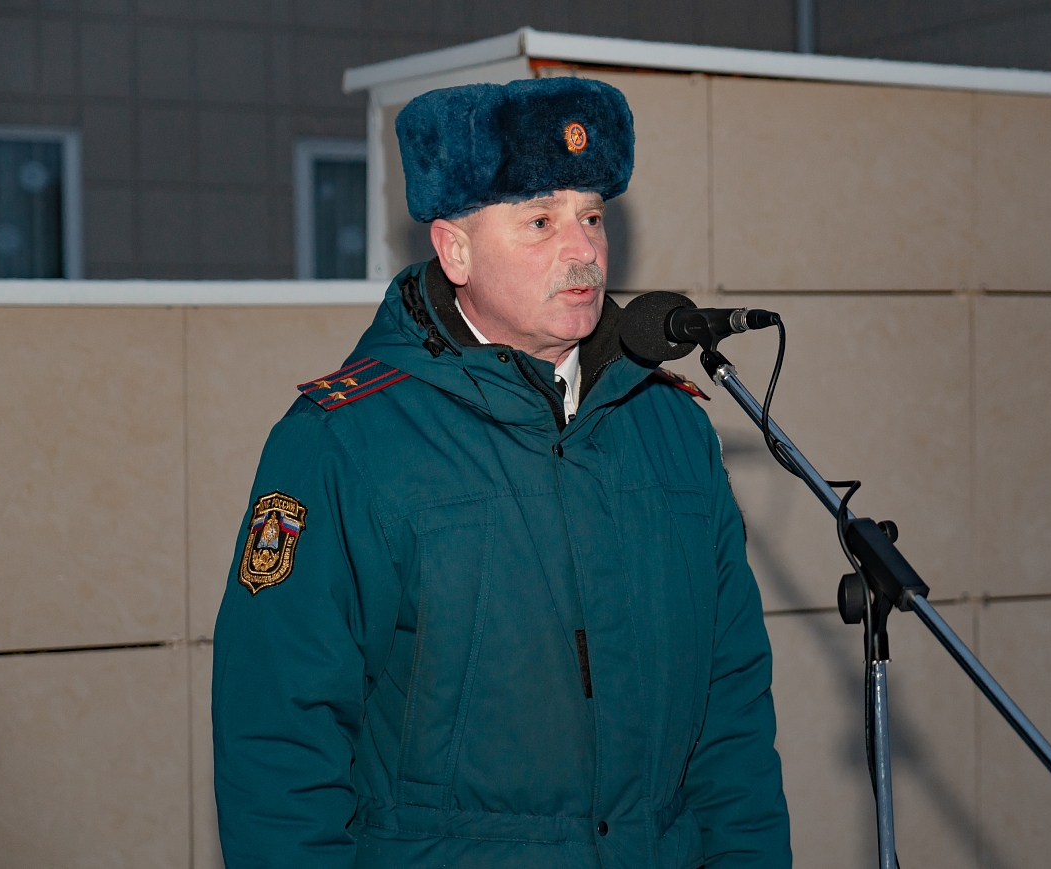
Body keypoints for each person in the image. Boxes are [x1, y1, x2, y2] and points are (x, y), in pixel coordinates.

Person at [211, 76, 792, 869]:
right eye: (541, 220)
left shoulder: (672, 428)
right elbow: (278, 746)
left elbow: (733, 723)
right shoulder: (343, 442)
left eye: (593, 216)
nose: (583, 249)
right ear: (455, 249)